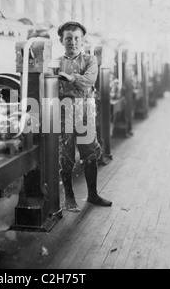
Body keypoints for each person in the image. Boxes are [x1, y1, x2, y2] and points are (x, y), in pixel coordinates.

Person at [57, 21, 112, 212]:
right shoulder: (55, 63)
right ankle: (69, 198)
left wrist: (71, 78)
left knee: (90, 153)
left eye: (76, 38)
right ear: (61, 41)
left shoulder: (90, 60)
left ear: (82, 40)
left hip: (85, 112)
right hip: (64, 112)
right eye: (68, 38)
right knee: (66, 156)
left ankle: (93, 194)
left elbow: (89, 80)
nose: (72, 42)